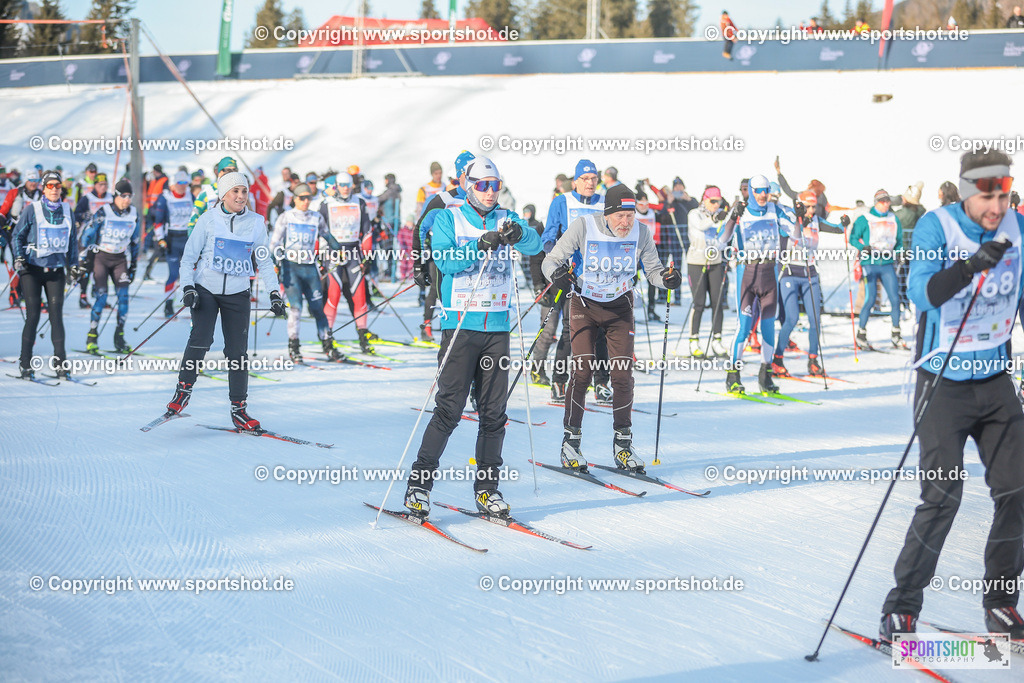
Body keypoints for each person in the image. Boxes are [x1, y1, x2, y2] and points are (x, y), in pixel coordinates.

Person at [880, 149, 1024, 642]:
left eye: (1003, 195)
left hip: (995, 382)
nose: (997, 206)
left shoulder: (1017, 227)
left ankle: (1002, 603)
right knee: (941, 498)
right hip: (942, 384)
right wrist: (968, 266)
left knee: (1018, 490)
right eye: (988, 196)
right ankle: (901, 607)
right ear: (967, 192)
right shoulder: (936, 228)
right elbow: (922, 295)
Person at [402, 156, 541, 518]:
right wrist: (479, 244)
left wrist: (519, 234)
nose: (491, 192)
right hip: (461, 326)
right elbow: (445, 261)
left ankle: (487, 490)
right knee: (449, 410)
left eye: (495, 185)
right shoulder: (450, 217)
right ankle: (419, 486)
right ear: (469, 186)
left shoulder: (505, 217)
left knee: (494, 414)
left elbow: (535, 244)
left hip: (496, 328)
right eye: (483, 185)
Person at [543, 184, 682, 472]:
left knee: (622, 376)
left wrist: (666, 279)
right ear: (607, 213)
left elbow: (653, 271)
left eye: (630, 216)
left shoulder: (641, 232)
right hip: (584, 305)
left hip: (620, 307)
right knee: (581, 373)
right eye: (620, 216)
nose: (625, 222)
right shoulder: (584, 226)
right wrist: (557, 274)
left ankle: (623, 444)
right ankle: (571, 442)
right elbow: (551, 260)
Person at [164, 172, 285, 430]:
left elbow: (264, 260)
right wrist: (187, 288)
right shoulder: (208, 220)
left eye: (244, 191)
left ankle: (239, 409)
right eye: (235, 191)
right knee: (201, 339)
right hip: (206, 289)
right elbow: (188, 259)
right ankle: (182, 391)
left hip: (238, 292)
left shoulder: (256, 222)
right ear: (223, 194)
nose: (241, 196)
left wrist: (274, 293)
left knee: (237, 352)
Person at [540, 159, 612, 404]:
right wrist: (558, 262)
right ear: (575, 181)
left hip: (602, 277)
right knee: (572, 330)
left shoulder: (605, 202)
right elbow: (548, 237)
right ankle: (558, 381)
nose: (591, 183)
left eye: (594, 178)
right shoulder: (562, 202)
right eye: (585, 179)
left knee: (602, 332)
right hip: (573, 276)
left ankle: (601, 383)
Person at [717, 173, 797, 394]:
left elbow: (795, 234)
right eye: (758, 191)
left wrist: (797, 217)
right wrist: (734, 217)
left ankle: (766, 375)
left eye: (765, 190)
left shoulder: (775, 209)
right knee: (744, 327)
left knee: (769, 326)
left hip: (769, 271)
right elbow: (721, 240)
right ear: (750, 191)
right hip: (747, 272)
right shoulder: (740, 211)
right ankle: (733, 376)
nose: (763, 195)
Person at [11, 170, 81, 379]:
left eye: (57, 186)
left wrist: (74, 265)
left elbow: (72, 242)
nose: (54, 189)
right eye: (50, 186)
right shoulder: (31, 210)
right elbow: (17, 236)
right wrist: (19, 258)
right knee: (32, 316)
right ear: (43, 188)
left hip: (55, 271)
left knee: (56, 317)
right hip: (31, 269)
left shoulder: (68, 210)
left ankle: (61, 364)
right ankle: (25, 363)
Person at [772, 190, 846, 377]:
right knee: (791, 318)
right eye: (808, 206)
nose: (811, 210)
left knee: (815, 320)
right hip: (790, 272)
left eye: (814, 206)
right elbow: (782, 232)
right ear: (799, 205)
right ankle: (777, 358)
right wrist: (798, 221)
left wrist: (844, 224)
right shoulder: (789, 218)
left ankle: (813, 360)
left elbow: (836, 228)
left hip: (810, 274)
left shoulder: (816, 220)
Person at [270, 183, 344, 362]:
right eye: (301, 198)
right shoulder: (286, 217)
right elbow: (274, 243)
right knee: (296, 308)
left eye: (308, 198)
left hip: (310, 268)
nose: (305, 201)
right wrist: (275, 261)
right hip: (291, 267)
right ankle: (294, 346)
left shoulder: (316, 217)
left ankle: (327, 345)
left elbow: (327, 235)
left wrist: (339, 249)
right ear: (294, 199)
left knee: (318, 308)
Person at [413, 152, 474, 342]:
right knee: (436, 291)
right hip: (443, 257)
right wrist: (418, 266)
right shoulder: (443, 200)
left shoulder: (485, 200)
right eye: (469, 174)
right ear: (459, 175)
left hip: (472, 261)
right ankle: (428, 326)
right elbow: (419, 229)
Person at [318, 172, 376, 353]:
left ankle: (363, 336)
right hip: (333, 253)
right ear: (336, 186)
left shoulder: (359, 202)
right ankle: (327, 338)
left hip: (353, 252)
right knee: (333, 295)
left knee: (359, 296)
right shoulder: (326, 204)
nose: (345, 189)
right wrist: (320, 256)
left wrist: (367, 257)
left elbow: (367, 229)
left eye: (348, 185)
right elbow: (319, 230)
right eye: (342, 185)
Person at [81, 178, 141, 353]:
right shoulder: (104, 211)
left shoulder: (133, 213)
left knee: (123, 298)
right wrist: (84, 257)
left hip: (120, 260)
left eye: (130, 196)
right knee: (101, 297)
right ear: (116, 196)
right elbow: (87, 234)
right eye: (124, 196)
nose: (127, 200)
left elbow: (135, 241)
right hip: (101, 258)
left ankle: (119, 336)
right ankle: (92, 335)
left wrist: (134, 264)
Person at [851, 189, 904, 349]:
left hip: (887, 264)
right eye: (882, 201)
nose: (886, 204)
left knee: (895, 299)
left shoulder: (894, 218)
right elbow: (852, 237)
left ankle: (896, 334)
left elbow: (899, 240)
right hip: (870, 263)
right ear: (876, 203)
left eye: (888, 201)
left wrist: (900, 253)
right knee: (871, 298)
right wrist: (862, 247)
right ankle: (861, 334)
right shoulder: (865, 218)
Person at [686, 186, 729, 358]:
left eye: (718, 201)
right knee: (699, 303)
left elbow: (724, 237)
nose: (715, 205)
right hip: (696, 261)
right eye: (712, 201)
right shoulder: (694, 214)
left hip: (715, 261)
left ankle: (717, 340)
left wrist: (721, 246)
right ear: (705, 200)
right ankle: (694, 340)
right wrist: (714, 218)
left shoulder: (720, 215)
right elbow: (701, 226)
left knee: (718, 302)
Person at [148, 171, 195, 317]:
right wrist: (161, 239)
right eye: (179, 183)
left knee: (193, 274)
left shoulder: (190, 196)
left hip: (188, 238)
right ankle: (168, 305)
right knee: (174, 274)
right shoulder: (165, 198)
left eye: (185, 183)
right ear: (173, 184)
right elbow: (158, 221)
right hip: (172, 239)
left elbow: (197, 216)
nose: (182, 186)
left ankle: (194, 302)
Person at [187, 157, 239, 234]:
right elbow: (193, 221)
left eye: (234, 170)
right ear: (219, 172)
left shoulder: (241, 193)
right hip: (211, 240)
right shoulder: (207, 192)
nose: (231, 173)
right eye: (227, 170)